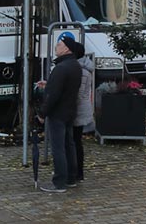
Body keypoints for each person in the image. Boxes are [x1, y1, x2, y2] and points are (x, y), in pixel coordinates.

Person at [37, 33, 83, 193]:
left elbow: (53, 95)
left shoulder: (61, 68)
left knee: (58, 147)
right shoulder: (75, 66)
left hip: (58, 113)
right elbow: (63, 88)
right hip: (70, 111)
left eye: (59, 45)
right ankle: (71, 177)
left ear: (66, 49)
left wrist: (42, 113)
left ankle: (59, 182)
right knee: (69, 145)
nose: (56, 46)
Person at [73, 40, 94, 183]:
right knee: (76, 141)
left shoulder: (82, 72)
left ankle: (78, 172)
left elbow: (78, 95)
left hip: (78, 111)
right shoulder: (83, 68)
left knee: (75, 141)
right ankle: (77, 171)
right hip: (80, 109)